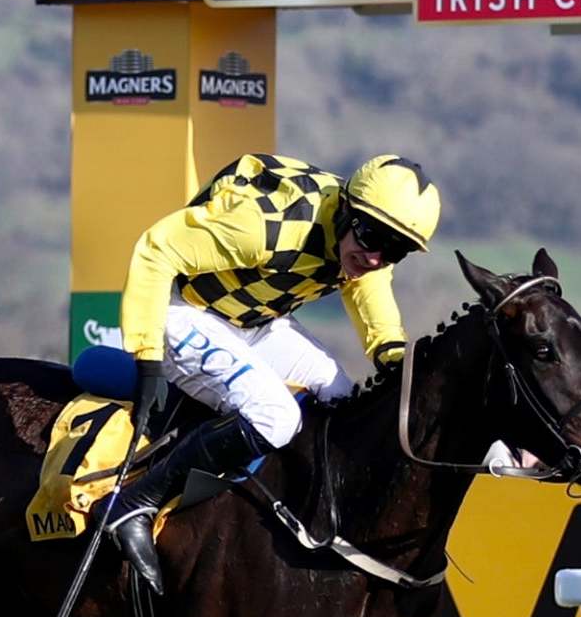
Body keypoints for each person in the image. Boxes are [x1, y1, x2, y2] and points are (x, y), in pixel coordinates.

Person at [107, 152, 441, 593]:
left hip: (252, 321)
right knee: (276, 415)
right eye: (372, 235)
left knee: (341, 394)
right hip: (181, 311)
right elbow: (157, 248)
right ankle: (136, 503)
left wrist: (392, 355)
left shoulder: (360, 239)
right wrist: (148, 356)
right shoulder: (265, 227)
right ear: (344, 209)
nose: (377, 257)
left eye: (395, 249)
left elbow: (370, 289)